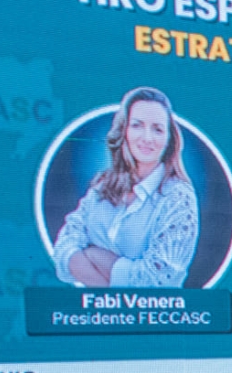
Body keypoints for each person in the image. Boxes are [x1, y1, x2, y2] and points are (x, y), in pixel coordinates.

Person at [53, 87, 200, 288]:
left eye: (157, 129)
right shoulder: (102, 185)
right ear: (124, 131)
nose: (147, 138)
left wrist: (92, 255)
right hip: (93, 309)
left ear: (169, 139)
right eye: (137, 125)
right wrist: (112, 293)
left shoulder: (178, 196)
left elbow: (159, 280)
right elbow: (64, 249)